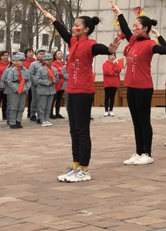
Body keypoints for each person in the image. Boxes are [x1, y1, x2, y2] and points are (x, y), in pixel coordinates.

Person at [46, 10, 120, 182]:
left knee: (82, 130)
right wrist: (53, 19)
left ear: (86, 29)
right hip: (71, 90)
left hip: (83, 91)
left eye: (77, 25)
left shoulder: (90, 44)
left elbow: (99, 48)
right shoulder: (73, 41)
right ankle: (75, 166)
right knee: (73, 130)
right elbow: (63, 31)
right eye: (74, 25)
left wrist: (109, 49)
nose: (73, 27)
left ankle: (84, 169)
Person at [112, 4, 166, 167]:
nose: (133, 29)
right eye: (133, 26)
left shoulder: (149, 44)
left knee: (144, 121)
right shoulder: (133, 41)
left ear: (145, 28)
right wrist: (119, 14)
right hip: (131, 86)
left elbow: (162, 49)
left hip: (143, 88)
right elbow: (125, 29)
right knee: (135, 121)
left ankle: (147, 153)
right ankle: (139, 151)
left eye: (137, 26)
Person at [3, 53, 30, 129]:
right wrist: (17, 89)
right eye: (20, 60)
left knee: (21, 107)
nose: (22, 62)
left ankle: (18, 121)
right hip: (14, 90)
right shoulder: (11, 70)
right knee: (13, 107)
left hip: (23, 91)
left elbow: (29, 81)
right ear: (16, 61)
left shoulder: (26, 71)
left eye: (23, 60)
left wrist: (24, 89)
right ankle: (12, 122)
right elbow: (9, 81)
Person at [33, 53, 59, 127]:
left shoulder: (54, 69)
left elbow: (57, 78)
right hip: (42, 90)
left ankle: (47, 119)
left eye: (51, 59)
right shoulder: (40, 69)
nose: (49, 61)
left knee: (49, 106)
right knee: (42, 106)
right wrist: (47, 82)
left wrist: (52, 81)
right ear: (44, 61)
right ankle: (42, 120)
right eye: (47, 60)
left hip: (51, 90)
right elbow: (37, 79)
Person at [27, 48, 46, 123]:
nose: (42, 55)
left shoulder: (46, 64)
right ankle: (32, 114)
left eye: (43, 54)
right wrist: (36, 82)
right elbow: (31, 74)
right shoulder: (34, 64)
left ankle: (40, 115)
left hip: (44, 85)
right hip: (36, 85)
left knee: (42, 101)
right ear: (36, 55)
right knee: (35, 100)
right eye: (40, 54)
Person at [51, 50, 66, 119]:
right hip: (56, 84)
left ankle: (57, 113)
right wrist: (62, 73)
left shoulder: (63, 64)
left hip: (62, 84)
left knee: (59, 99)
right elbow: (55, 73)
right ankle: (50, 113)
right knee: (53, 99)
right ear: (55, 56)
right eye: (59, 53)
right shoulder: (54, 64)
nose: (60, 55)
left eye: (61, 53)